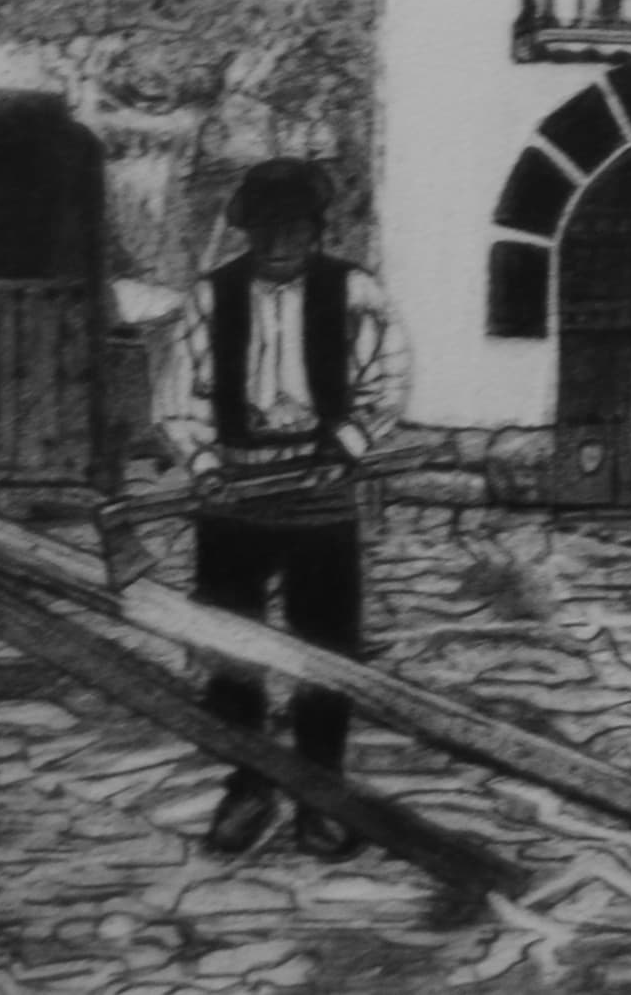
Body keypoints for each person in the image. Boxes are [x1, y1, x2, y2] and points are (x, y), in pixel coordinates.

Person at [154, 157, 395, 857]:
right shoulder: (210, 296)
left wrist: (347, 442)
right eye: (266, 226)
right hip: (235, 493)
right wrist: (201, 462)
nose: (279, 239)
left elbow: (387, 380)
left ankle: (320, 792)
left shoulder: (354, 290)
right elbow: (178, 400)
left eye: (293, 225)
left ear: (317, 229)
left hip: (321, 494)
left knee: (326, 645)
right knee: (231, 644)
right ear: (247, 231)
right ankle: (249, 785)